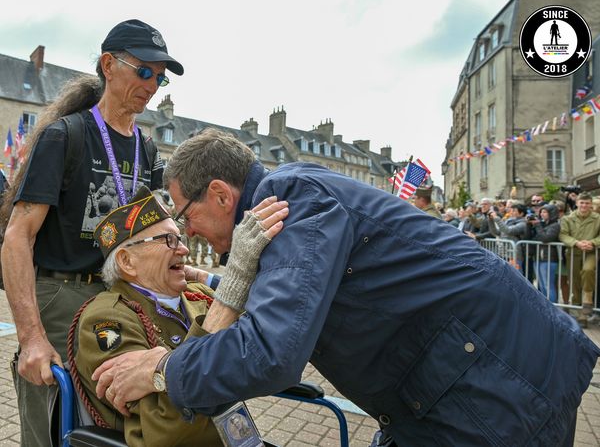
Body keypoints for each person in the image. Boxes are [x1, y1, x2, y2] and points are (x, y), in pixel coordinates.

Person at [94, 129, 599, 447]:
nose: (188, 234)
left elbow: (272, 350)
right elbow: (302, 293)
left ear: (222, 195)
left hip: (499, 385)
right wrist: (229, 278)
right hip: (477, 373)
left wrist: (162, 369)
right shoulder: (295, 195)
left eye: (185, 216)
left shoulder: (292, 201)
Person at [0, 19, 184, 447]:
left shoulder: (148, 148)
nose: (152, 85)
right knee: (51, 427)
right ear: (109, 64)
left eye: (159, 77)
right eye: (143, 71)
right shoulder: (65, 136)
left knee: (113, 423)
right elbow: (17, 237)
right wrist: (30, 338)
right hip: (60, 295)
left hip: (117, 299)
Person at [71, 186, 287, 446]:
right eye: (168, 240)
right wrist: (232, 287)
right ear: (127, 261)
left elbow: (264, 337)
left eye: (181, 238)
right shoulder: (107, 317)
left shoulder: (197, 293)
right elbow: (166, 430)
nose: (184, 250)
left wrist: (162, 367)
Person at [559, 192, 600, 327]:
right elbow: (563, 235)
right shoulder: (567, 218)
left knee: (588, 270)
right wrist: (576, 243)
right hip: (573, 252)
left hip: (591, 252)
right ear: (577, 203)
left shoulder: (597, 218)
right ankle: (580, 315)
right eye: (582, 203)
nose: (584, 205)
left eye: (587, 203)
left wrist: (592, 242)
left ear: (591, 205)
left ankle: (587, 300)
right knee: (575, 283)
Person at [531, 204, 561, 303]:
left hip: (549, 258)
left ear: (551, 213)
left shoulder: (555, 225)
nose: (541, 214)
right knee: (541, 285)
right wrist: (530, 225)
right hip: (538, 257)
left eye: (544, 212)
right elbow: (532, 238)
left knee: (548, 285)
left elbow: (546, 238)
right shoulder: (542, 224)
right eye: (541, 212)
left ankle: (553, 308)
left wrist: (538, 225)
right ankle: (546, 307)